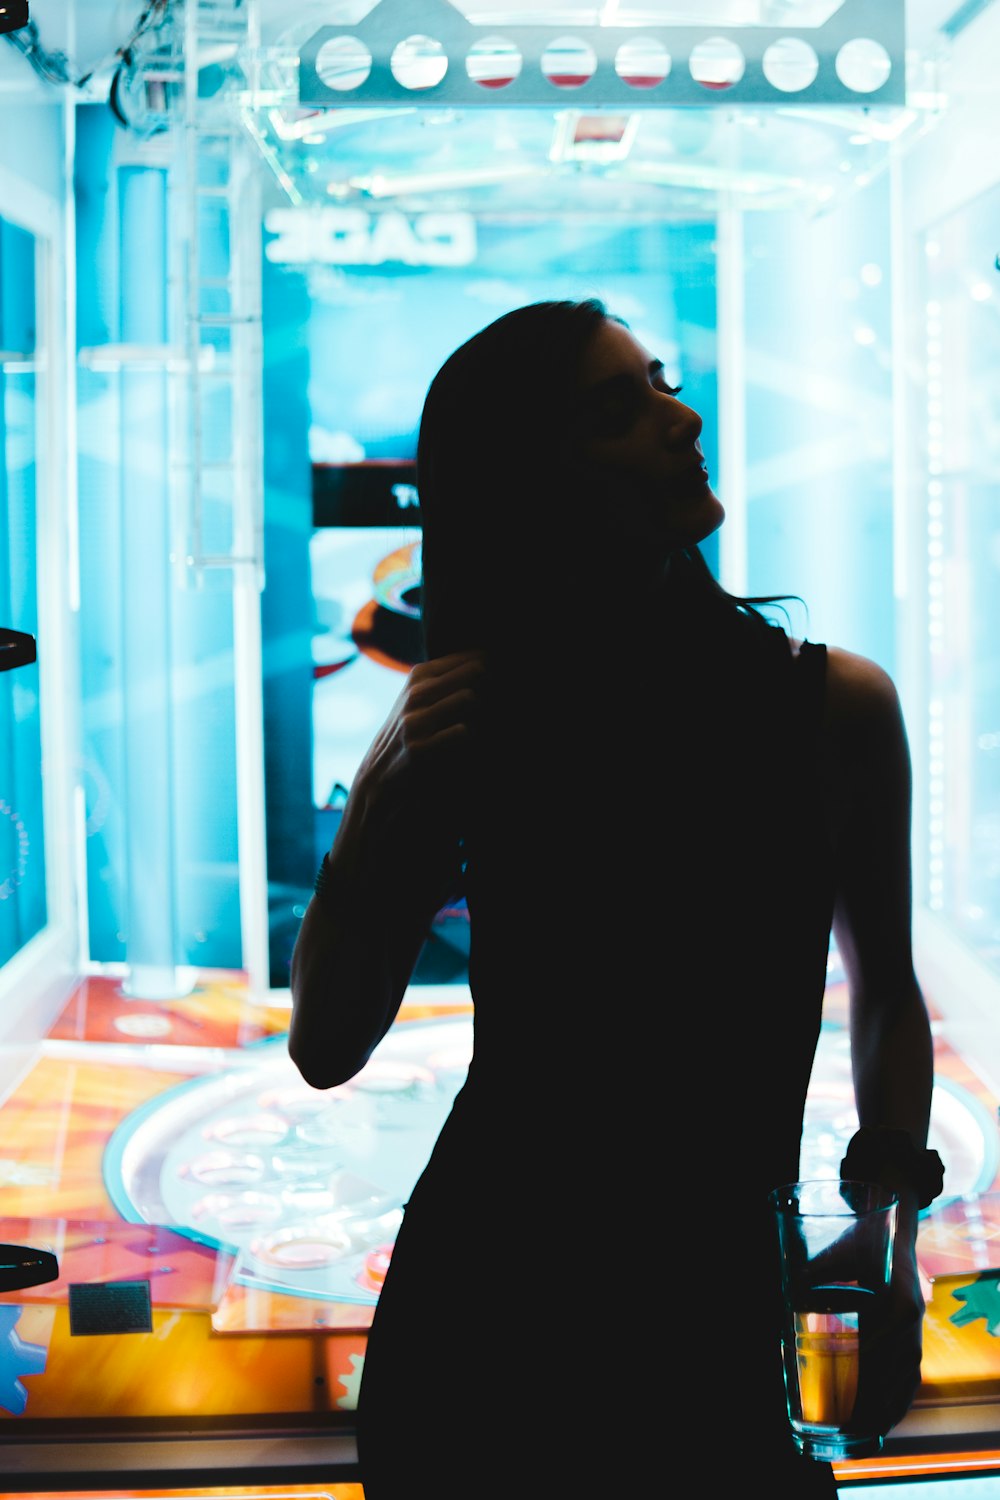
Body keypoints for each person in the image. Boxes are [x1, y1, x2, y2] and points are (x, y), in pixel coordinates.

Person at [288, 298, 941, 1497]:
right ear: (534, 481)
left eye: (659, 382)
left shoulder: (835, 708)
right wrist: (380, 790)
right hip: (487, 1326)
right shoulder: (469, 722)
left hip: (706, 1315)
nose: (680, 418)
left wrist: (895, 1223)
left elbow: (887, 993)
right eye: (616, 410)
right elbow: (326, 1045)